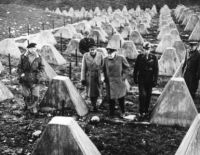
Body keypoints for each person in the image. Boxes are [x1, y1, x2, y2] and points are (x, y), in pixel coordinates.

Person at [17, 43, 44, 115]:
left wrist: (39, 75)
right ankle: (27, 106)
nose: (33, 50)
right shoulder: (23, 57)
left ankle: (33, 107)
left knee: (35, 95)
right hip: (25, 78)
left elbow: (42, 68)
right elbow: (19, 67)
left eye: (34, 48)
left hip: (35, 78)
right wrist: (21, 74)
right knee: (26, 94)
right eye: (31, 48)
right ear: (28, 49)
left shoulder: (39, 57)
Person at [133, 42, 158, 117]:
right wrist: (135, 78)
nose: (146, 51)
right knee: (142, 95)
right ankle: (141, 111)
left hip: (149, 79)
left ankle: (146, 110)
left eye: (148, 49)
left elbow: (156, 70)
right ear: (143, 49)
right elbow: (136, 68)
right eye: (145, 49)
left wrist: (155, 80)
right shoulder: (139, 57)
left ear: (150, 49)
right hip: (142, 79)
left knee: (148, 95)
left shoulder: (154, 57)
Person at [103, 47, 130, 117]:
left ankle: (123, 112)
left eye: (110, 53)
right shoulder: (105, 60)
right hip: (110, 82)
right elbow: (102, 69)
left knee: (121, 98)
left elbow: (127, 68)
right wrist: (103, 77)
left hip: (119, 82)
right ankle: (111, 113)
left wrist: (123, 77)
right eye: (108, 53)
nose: (109, 55)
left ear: (115, 52)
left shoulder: (121, 58)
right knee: (111, 98)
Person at [81, 42, 104, 112]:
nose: (92, 51)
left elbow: (103, 67)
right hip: (90, 76)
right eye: (91, 49)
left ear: (96, 49)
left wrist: (103, 77)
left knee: (97, 90)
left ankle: (95, 103)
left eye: (93, 49)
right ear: (89, 50)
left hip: (98, 75)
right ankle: (93, 104)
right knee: (91, 92)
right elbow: (83, 68)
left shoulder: (100, 55)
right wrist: (83, 78)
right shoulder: (85, 56)